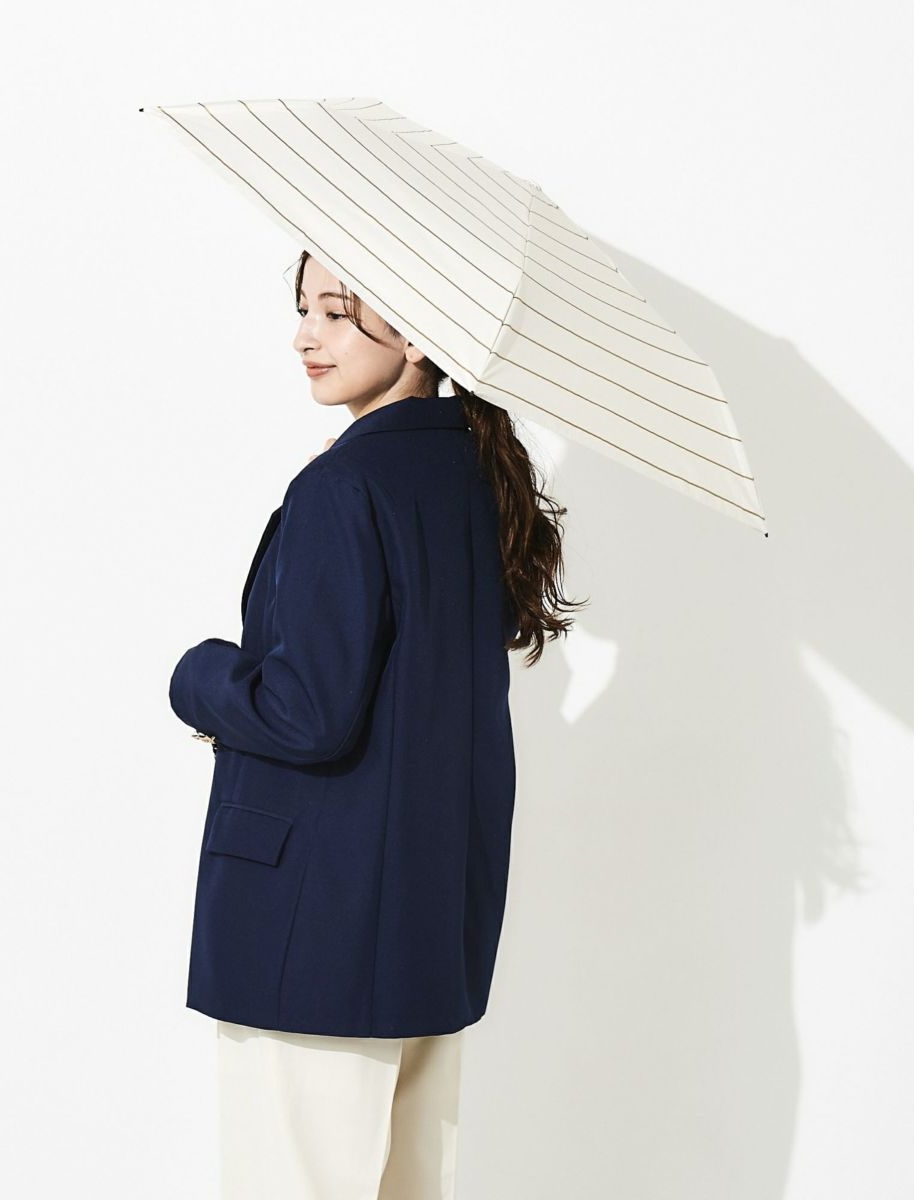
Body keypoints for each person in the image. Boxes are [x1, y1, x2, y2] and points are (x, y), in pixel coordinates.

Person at [168, 251, 586, 1199]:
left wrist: (199, 676)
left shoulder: (347, 485)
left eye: (337, 312)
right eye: (304, 309)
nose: (304, 336)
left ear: (421, 336)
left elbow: (306, 713)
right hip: (428, 919)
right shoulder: (474, 475)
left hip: (314, 923)